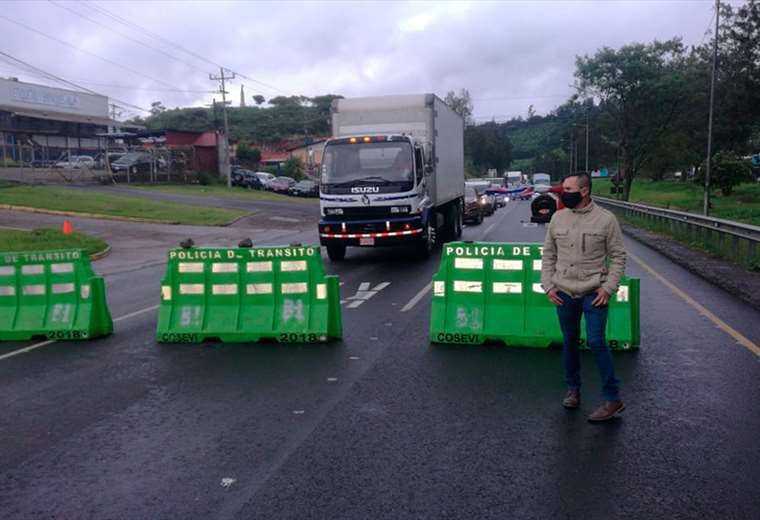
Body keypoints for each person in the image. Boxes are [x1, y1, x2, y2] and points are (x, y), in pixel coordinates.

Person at [541, 172, 627, 422]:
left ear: (585, 191)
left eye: (568, 189)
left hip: (594, 292)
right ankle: (573, 390)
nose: (563, 193)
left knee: (596, 341)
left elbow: (618, 256)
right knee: (569, 342)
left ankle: (612, 399)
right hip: (563, 292)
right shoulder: (558, 218)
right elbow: (548, 255)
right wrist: (548, 286)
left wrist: (608, 288)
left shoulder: (605, 220)